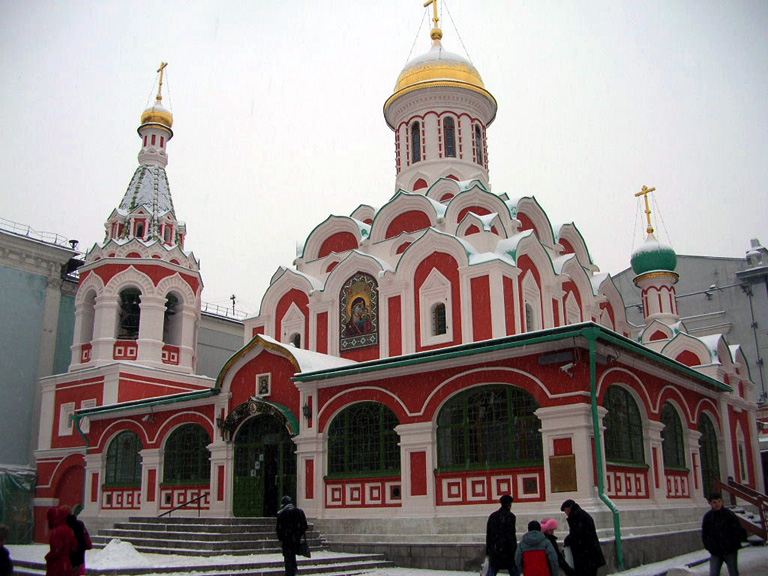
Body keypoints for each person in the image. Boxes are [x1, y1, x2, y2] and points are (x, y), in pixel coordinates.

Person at [701, 492, 746, 576]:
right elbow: (705, 533)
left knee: (733, 573)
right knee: (714, 573)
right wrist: (709, 546)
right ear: (710, 503)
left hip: (730, 551)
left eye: (719, 501)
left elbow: (738, 530)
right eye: (714, 502)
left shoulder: (729, 515)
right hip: (715, 552)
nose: (717, 504)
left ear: (722, 502)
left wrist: (733, 544)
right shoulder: (708, 517)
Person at [560, 499, 605, 576]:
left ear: (568, 509)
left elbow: (577, 534)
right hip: (590, 555)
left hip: (585, 557)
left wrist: (568, 539)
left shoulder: (577, 516)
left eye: (565, 511)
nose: (566, 514)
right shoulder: (581, 514)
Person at [485, 494, 518, 576]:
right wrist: (514, 549)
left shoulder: (493, 516)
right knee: (513, 570)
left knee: (493, 569)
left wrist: (489, 550)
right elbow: (511, 535)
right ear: (509, 504)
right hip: (508, 550)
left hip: (495, 549)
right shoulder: (511, 516)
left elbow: (488, 534)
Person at [275, 495, 307, 576]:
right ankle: (294, 570)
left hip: (286, 540)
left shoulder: (281, 513)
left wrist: (282, 537)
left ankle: (290, 572)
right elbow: (305, 526)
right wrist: (298, 534)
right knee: (292, 555)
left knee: (288, 557)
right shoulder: (299, 511)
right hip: (296, 539)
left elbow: (279, 529)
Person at [45, 506, 77, 576]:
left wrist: (48, 557)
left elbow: (56, 550)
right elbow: (74, 546)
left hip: (57, 565)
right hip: (67, 564)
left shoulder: (57, 531)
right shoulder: (69, 529)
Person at [63, 505, 92, 576]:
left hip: (68, 559)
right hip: (79, 558)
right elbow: (84, 540)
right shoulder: (79, 524)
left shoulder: (63, 526)